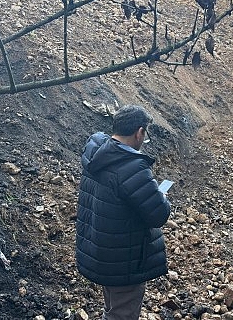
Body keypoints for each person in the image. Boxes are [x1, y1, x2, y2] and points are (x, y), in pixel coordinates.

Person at [75, 105, 171, 319]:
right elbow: (159, 215)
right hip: (124, 259)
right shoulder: (131, 167)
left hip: (102, 252)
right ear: (139, 132)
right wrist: (161, 197)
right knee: (123, 314)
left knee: (113, 307)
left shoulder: (97, 153)